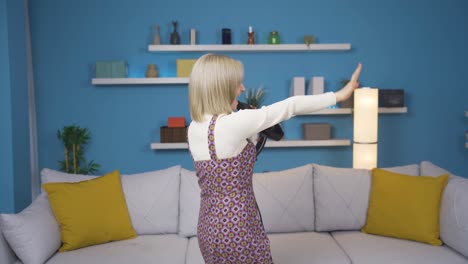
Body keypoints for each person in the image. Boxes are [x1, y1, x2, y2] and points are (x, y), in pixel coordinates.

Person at [187, 53, 362, 264]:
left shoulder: (194, 128)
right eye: (237, 83)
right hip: (238, 227)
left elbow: (229, 154)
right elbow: (291, 106)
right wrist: (341, 95)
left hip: (208, 227)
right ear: (220, 87)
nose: (242, 88)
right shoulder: (235, 123)